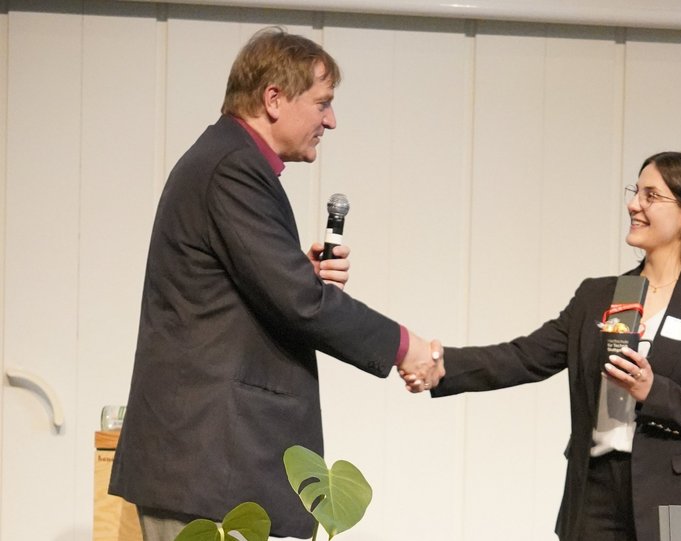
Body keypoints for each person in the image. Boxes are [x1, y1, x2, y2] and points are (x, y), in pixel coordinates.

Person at [109, 27, 443, 541]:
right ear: (273, 99)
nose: (331, 120)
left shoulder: (228, 161)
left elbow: (242, 294)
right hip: (208, 468)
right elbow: (301, 304)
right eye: (322, 104)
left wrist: (294, 272)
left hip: (211, 468)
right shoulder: (232, 169)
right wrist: (406, 346)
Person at [416, 152, 681, 540]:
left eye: (651, 196)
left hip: (678, 498)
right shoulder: (601, 296)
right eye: (636, 192)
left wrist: (655, 392)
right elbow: (524, 357)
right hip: (597, 496)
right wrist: (440, 363)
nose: (634, 204)